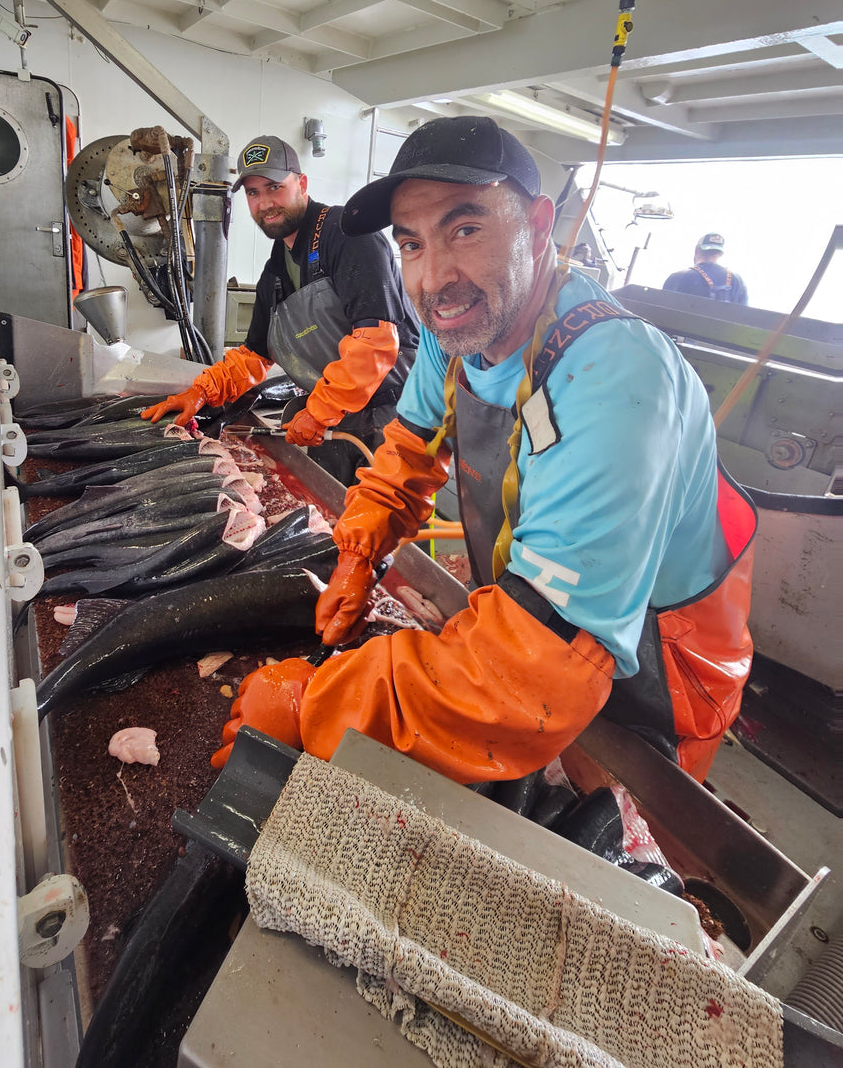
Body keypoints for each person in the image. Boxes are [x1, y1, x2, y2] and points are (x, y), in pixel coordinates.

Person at [213, 117, 756, 786]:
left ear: (537, 224)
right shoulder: (457, 331)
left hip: (663, 665)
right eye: (411, 243)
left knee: (623, 834)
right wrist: (359, 554)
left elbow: (533, 677)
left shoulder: (615, 375)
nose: (436, 277)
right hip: (541, 616)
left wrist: (316, 702)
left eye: (465, 229)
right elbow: (408, 453)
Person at [143, 135, 419, 484]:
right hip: (335, 417)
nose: (264, 203)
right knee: (329, 520)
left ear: (301, 184)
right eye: (253, 193)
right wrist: (201, 392)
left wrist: (318, 412)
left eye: (274, 187)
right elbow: (253, 356)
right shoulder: (276, 270)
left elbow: (375, 342)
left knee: (387, 532)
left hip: (393, 418)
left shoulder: (348, 235)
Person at [663, 233, 748, 304]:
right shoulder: (737, 280)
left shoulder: (678, 277)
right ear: (720, 254)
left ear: (697, 250)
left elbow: (660, 313)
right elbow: (745, 317)